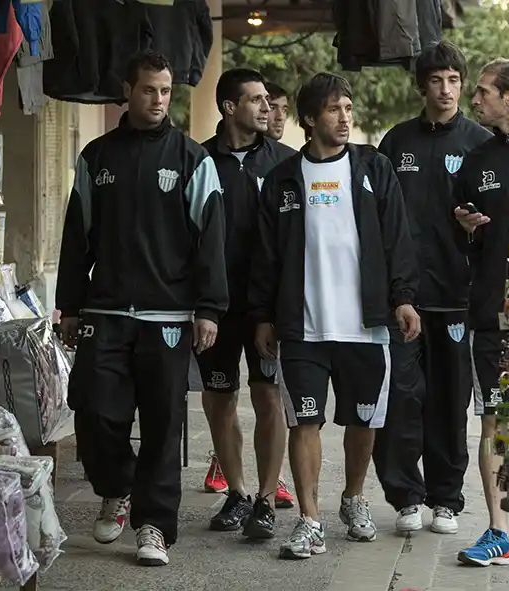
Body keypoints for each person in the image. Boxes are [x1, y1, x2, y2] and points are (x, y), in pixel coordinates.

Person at [56, 51, 228, 567]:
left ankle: (154, 526)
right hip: (105, 313)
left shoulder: (193, 159)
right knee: (93, 412)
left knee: (161, 424)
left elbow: (211, 241)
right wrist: (69, 306)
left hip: (168, 318)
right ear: (127, 92)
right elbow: (75, 238)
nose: (158, 100)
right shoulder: (96, 157)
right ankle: (117, 486)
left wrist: (208, 309)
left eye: (166, 91)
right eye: (149, 90)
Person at [250, 72, 421, 560]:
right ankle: (309, 520)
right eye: (332, 110)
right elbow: (265, 255)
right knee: (305, 421)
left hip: (365, 326)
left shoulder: (374, 167)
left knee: (361, 423)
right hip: (302, 327)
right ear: (308, 119)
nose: (344, 118)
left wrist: (403, 298)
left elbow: (398, 240)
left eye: (348, 108)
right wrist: (263, 315)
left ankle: (353, 498)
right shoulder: (283, 177)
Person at [372, 41, 492, 536]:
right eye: (436, 80)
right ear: (421, 85)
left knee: (448, 400)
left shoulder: (481, 144)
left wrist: (475, 228)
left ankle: (446, 499)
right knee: (400, 397)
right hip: (403, 299)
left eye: (454, 80)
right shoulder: (394, 143)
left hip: (458, 297)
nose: (445, 90)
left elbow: (501, 225)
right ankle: (404, 496)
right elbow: (375, 220)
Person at [198, 68, 297, 538]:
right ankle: (236, 493)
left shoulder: (284, 163)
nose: (267, 109)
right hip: (215, 308)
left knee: (268, 396)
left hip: (266, 310)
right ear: (228, 107)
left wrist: (279, 309)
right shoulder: (198, 162)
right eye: (256, 100)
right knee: (219, 397)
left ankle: (264, 498)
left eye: (267, 100)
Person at [453, 58, 509, 567]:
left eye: (483, 91)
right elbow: (468, 238)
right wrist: (466, 227)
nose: (474, 99)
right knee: (493, 423)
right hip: (493, 313)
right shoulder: (477, 159)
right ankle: (498, 531)